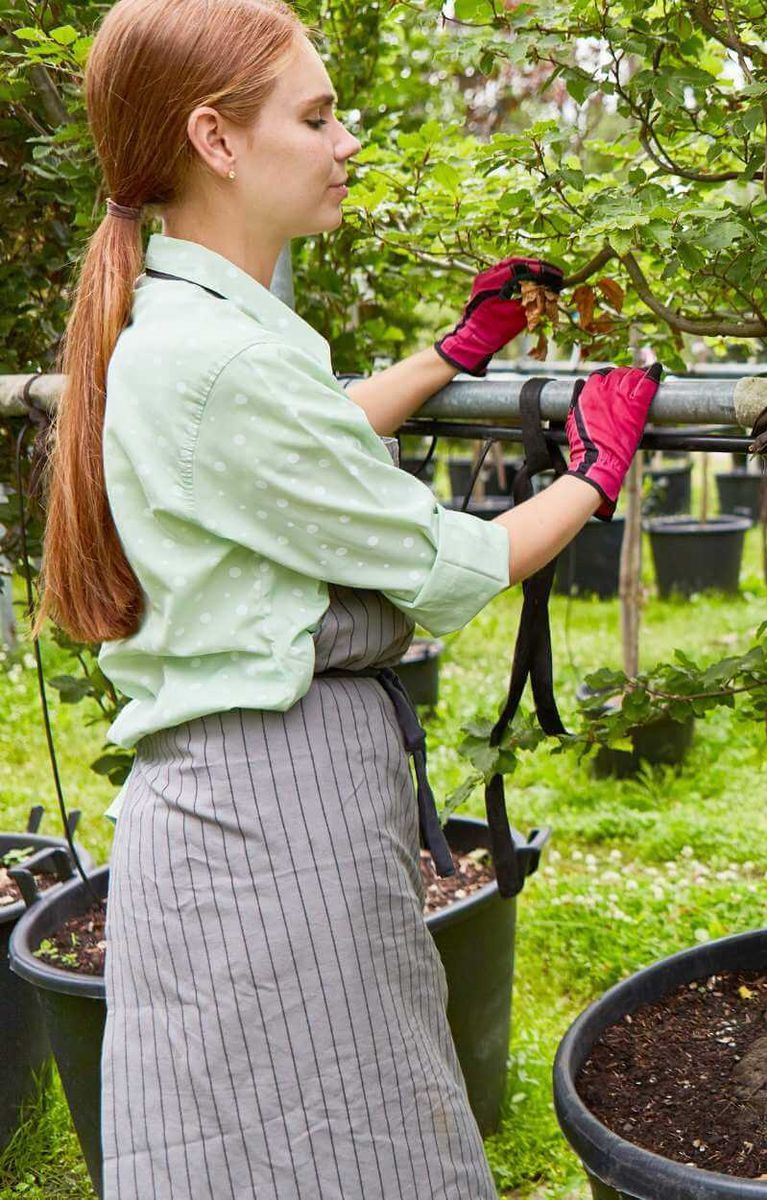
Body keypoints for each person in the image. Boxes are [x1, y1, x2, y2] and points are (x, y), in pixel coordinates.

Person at [35, 0, 655, 1194]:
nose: (346, 142)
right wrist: (590, 475)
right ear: (216, 140)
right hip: (277, 823)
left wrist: (448, 357)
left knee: (235, 1153)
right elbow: (447, 564)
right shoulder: (224, 357)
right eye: (316, 117)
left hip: (216, 811)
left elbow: (291, 449)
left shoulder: (178, 326)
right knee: (355, 1148)